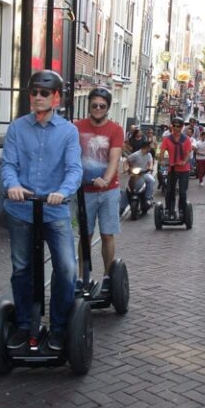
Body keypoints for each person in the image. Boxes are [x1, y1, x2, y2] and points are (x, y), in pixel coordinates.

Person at [1, 70, 83, 352]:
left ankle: (59, 327)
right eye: (33, 92)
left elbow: (74, 168)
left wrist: (63, 192)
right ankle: (25, 324)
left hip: (54, 211)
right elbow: (9, 165)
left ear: (56, 98)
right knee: (22, 268)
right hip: (21, 210)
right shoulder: (16, 128)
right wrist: (12, 185)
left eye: (43, 93)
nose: (37, 97)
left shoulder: (69, 132)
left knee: (67, 268)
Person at [75, 87, 124, 293]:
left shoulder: (115, 130)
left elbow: (114, 159)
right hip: (84, 191)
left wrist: (105, 179)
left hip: (108, 190)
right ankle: (80, 277)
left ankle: (106, 276)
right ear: (89, 106)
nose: (97, 108)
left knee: (107, 235)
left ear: (107, 108)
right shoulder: (76, 127)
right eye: (94, 105)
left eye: (101, 106)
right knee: (84, 235)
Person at [158, 116, 192, 218]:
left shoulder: (186, 139)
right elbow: (162, 152)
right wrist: (162, 161)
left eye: (179, 126)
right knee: (169, 191)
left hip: (184, 169)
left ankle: (182, 210)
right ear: (172, 127)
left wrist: (184, 161)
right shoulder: (167, 139)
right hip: (172, 168)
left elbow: (188, 152)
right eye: (174, 126)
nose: (176, 129)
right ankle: (169, 209)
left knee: (182, 192)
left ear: (182, 127)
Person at [124, 140, 155, 206]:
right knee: (128, 187)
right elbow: (126, 161)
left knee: (151, 180)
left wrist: (150, 167)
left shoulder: (149, 155)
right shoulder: (135, 155)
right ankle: (123, 205)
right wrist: (126, 168)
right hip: (135, 174)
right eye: (148, 148)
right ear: (145, 147)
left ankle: (148, 198)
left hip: (144, 173)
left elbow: (150, 163)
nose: (149, 149)